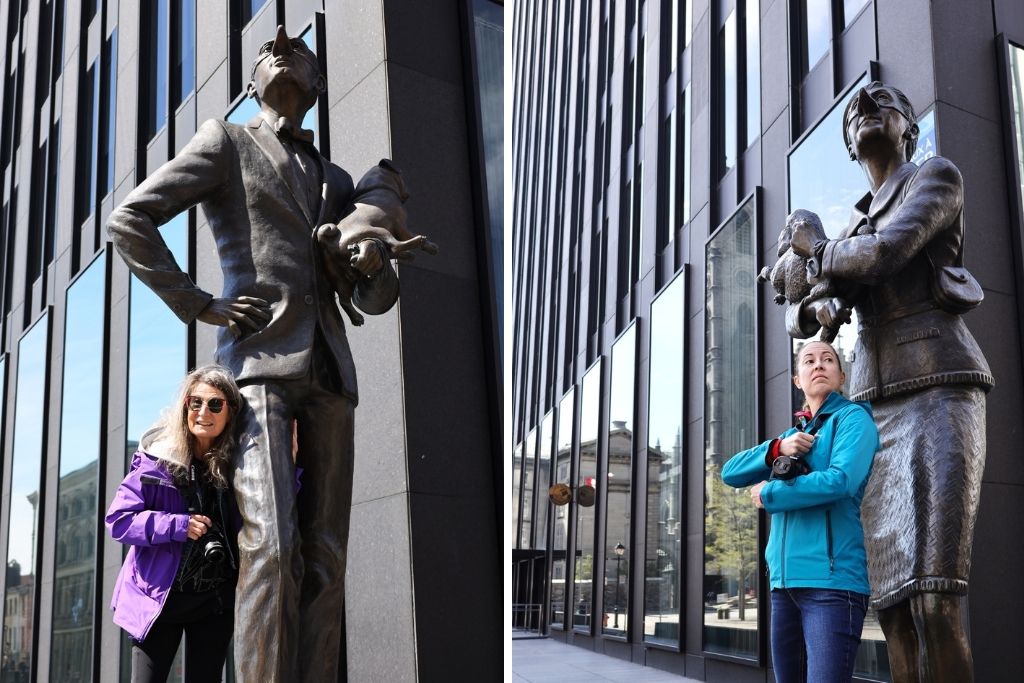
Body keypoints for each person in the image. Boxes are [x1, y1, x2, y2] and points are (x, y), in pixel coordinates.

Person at [106, 26, 406, 681]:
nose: (278, 40)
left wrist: (374, 258)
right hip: (257, 368)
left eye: (295, 46)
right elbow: (128, 218)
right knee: (270, 543)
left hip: (329, 369)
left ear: (319, 85)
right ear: (252, 80)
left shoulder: (337, 182)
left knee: (327, 556)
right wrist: (197, 301)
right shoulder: (226, 141)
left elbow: (375, 297)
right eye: (270, 48)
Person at [787, 81, 994, 682]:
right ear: (851, 148)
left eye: (882, 103)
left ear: (908, 127)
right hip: (874, 408)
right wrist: (808, 298)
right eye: (855, 111)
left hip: (939, 388)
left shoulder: (936, 177)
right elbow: (797, 304)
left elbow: (885, 254)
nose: (865, 112)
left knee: (935, 596)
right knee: (894, 607)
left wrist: (817, 253)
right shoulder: (853, 224)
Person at [722, 341, 879, 683]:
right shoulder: (793, 436)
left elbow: (839, 482)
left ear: (841, 376)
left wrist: (770, 492)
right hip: (784, 587)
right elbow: (730, 473)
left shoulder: (854, 419)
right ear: (797, 379)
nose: (819, 365)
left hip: (831, 585)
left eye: (828, 360)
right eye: (809, 360)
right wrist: (777, 448)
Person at [106, 365, 243, 683]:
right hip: (157, 599)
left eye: (215, 404)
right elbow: (119, 521)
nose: (203, 412)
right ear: (185, 407)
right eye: (195, 402)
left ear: (229, 412)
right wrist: (177, 526)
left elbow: (262, 515)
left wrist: (290, 468)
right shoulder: (156, 459)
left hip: (214, 602)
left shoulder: (235, 465)